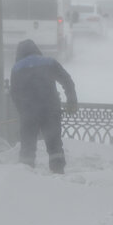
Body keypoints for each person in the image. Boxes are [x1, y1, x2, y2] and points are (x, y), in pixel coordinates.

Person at [10, 39, 78, 173]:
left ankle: (25, 174)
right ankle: (58, 172)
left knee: (27, 147)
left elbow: (14, 93)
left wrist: (21, 112)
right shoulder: (49, 62)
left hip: (29, 113)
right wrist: (71, 101)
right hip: (50, 110)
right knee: (54, 144)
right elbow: (67, 80)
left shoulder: (16, 68)